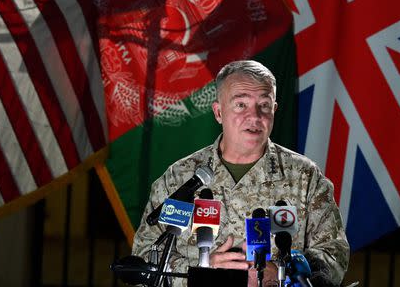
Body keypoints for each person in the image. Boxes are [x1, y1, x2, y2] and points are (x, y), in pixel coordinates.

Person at [132, 60, 350, 286]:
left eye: (264, 105)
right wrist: (200, 272)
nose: (254, 116)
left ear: (274, 109)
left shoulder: (305, 178)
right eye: (240, 105)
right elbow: (145, 256)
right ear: (218, 112)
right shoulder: (180, 179)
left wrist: (282, 273)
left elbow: (334, 253)